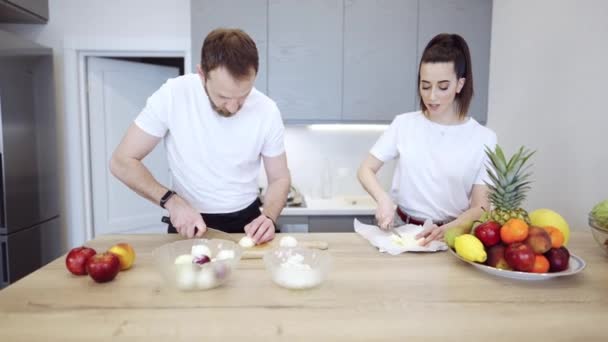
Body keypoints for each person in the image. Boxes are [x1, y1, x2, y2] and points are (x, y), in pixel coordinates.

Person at [110, 28, 291, 244]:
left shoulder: (267, 110)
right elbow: (121, 161)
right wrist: (171, 201)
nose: (233, 108)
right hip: (188, 222)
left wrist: (269, 216)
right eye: (223, 96)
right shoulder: (173, 95)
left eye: (243, 96)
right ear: (202, 74)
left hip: (247, 224)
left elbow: (279, 178)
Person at [357, 33, 496, 246]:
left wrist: (449, 229)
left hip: (451, 238)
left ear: (460, 84)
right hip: (401, 234)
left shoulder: (483, 138)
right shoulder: (404, 124)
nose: (431, 96)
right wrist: (383, 200)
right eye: (425, 85)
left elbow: (481, 206)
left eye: (442, 87)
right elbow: (365, 169)